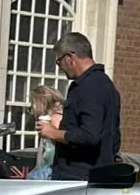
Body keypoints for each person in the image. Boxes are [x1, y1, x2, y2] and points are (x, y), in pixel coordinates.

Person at [37, 32, 120, 180]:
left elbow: (90, 136)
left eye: (58, 61)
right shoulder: (106, 85)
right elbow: (114, 138)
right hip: (96, 176)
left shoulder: (89, 87)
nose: (60, 67)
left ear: (69, 58)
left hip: (80, 180)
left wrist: (53, 132)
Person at [23, 84, 63, 179]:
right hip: (47, 168)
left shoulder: (55, 118)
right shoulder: (50, 120)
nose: (32, 109)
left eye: (33, 104)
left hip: (52, 170)